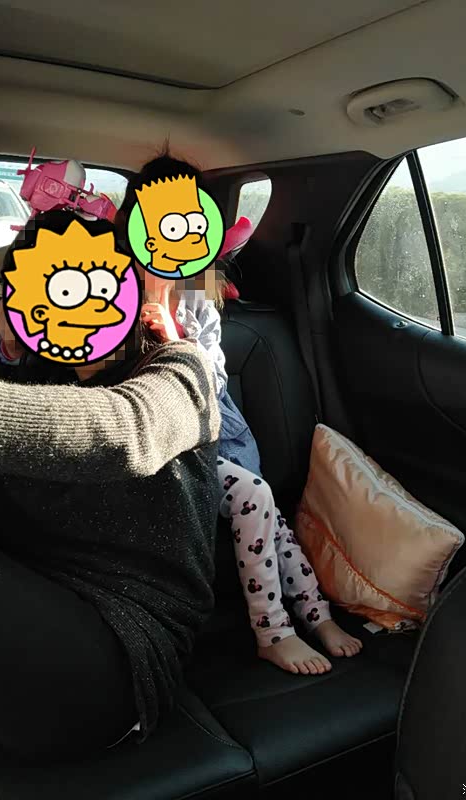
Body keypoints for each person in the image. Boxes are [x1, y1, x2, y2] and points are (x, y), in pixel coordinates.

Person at [0, 208, 221, 764]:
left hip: (120, 656)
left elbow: (125, 431)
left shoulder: (180, 372)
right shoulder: (32, 382)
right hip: (26, 601)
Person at [117, 153, 363, 676]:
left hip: (212, 425)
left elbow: (212, 379)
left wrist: (175, 336)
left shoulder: (196, 295)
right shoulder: (111, 291)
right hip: (158, 438)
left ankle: (316, 615)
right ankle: (272, 631)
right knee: (255, 498)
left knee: (271, 516)